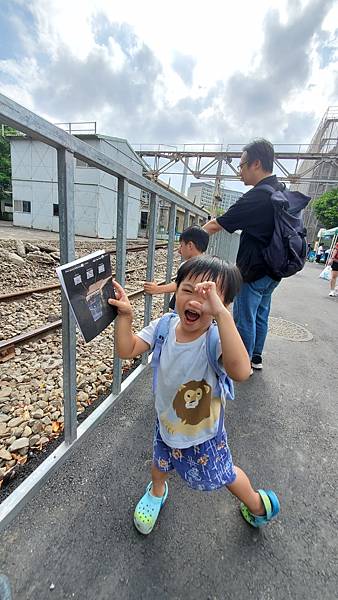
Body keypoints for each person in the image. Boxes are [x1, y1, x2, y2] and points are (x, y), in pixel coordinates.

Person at [108, 256, 280, 535]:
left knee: (224, 474)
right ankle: (156, 492)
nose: (196, 301)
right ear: (176, 291)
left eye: (209, 296)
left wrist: (223, 317)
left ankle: (257, 503)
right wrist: (125, 317)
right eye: (187, 290)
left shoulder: (215, 340)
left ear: (223, 306)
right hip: (167, 424)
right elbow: (126, 349)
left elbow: (241, 371)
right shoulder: (164, 326)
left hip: (204, 436)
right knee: (159, 464)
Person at [203, 138, 283, 371]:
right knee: (261, 314)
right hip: (275, 268)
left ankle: (241, 361)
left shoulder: (258, 195)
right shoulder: (279, 189)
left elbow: (220, 223)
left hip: (255, 268)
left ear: (256, 164)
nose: (240, 171)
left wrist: (196, 235)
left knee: (244, 316)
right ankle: (255, 357)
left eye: (241, 165)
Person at [144, 225, 209, 310]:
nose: (179, 250)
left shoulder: (190, 265)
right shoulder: (208, 265)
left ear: (190, 245)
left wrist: (156, 289)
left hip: (184, 310)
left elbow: (178, 285)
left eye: (181, 245)